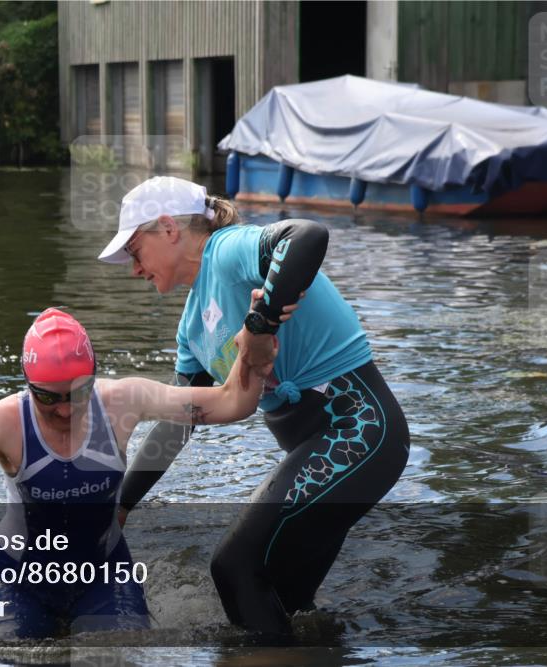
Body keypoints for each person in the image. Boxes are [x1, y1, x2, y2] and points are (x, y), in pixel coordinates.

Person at [98, 176, 410, 639]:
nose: (135, 270)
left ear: (168, 228)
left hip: (359, 430)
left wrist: (261, 324)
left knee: (234, 567)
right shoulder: (190, 329)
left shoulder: (225, 251)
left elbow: (306, 235)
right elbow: (178, 424)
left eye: (135, 251)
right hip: (323, 451)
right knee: (283, 598)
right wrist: (121, 506)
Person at [0, 307, 268, 639]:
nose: (65, 411)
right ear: (28, 383)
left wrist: (256, 336)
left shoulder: (122, 401)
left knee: (120, 657)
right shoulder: (1, 423)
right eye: (48, 399)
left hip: (103, 574)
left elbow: (233, 401)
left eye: (78, 393)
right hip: (18, 579)